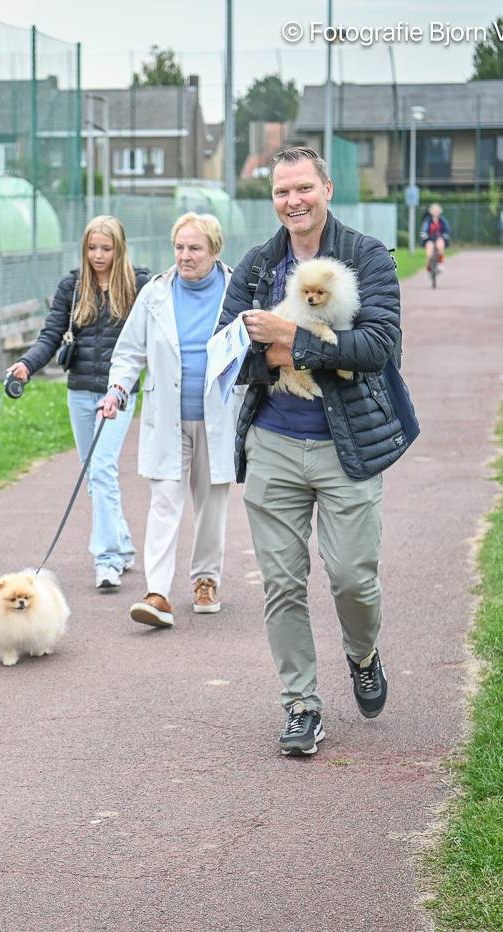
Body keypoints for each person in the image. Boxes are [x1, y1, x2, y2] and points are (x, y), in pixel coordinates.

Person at [219, 146, 418, 757]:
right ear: (272, 199)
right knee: (281, 582)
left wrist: (291, 341)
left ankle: (362, 653)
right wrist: (290, 349)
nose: (294, 201)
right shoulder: (256, 267)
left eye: (304, 188)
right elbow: (228, 349)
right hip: (273, 442)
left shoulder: (368, 258)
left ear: (326, 188)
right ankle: (301, 704)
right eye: (282, 192)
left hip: (345, 446)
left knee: (353, 578)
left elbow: (379, 346)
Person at [99, 213, 242, 628]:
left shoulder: (237, 290)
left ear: (215, 250)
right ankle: (157, 592)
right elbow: (129, 352)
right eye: (179, 247)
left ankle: (205, 581)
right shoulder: (155, 294)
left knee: (211, 504)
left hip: (217, 414)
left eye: (195, 248)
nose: (185, 256)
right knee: (164, 503)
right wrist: (118, 390)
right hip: (168, 417)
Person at [9, 216, 150, 591]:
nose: (98, 256)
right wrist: (26, 364)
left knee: (102, 469)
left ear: (119, 249)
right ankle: (121, 543)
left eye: (106, 248)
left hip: (117, 396)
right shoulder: (73, 286)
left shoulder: (140, 285)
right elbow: (51, 334)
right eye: (92, 248)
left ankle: (107, 560)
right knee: (94, 474)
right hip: (80, 391)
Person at [419, 203, 450, 272]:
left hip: (439, 237)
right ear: (431, 211)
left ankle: (440, 262)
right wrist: (424, 235)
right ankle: (429, 263)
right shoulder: (427, 221)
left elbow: (447, 229)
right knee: (429, 247)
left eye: (437, 210)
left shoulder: (442, 220)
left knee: (440, 244)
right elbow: (424, 229)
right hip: (429, 238)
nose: (435, 212)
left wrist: (446, 234)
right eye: (434, 210)